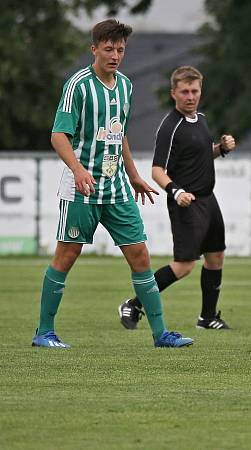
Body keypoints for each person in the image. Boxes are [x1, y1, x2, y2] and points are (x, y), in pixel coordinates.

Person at [32, 19, 193, 349]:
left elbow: (118, 134)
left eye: (120, 49)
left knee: (140, 255)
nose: (115, 55)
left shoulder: (125, 86)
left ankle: (161, 334)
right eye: (108, 49)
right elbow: (58, 135)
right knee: (67, 255)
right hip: (82, 186)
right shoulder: (78, 85)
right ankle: (44, 332)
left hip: (116, 186)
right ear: (94, 49)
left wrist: (133, 175)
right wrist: (78, 171)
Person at [118, 66, 236, 331]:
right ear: (174, 93)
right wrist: (177, 191)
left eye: (194, 91)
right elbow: (157, 170)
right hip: (186, 203)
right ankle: (134, 304)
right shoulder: (170, 127)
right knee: (183, 266)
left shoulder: (201, 119)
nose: (190, 96)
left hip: (208, 199)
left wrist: (220, 149)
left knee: (216, 257)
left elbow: (201, 156)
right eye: (184, 91)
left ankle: (207, 318)